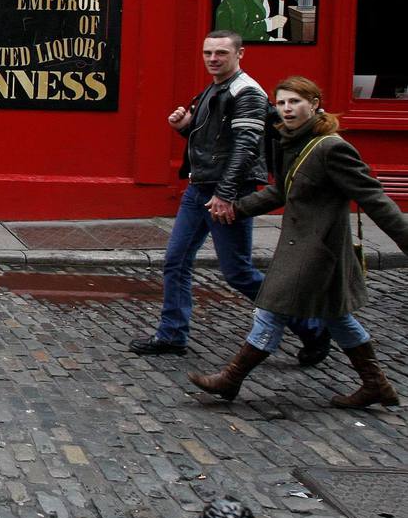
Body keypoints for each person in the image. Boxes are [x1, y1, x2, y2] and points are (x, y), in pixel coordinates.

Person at [190, 76, 408, 406]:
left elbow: (374, 197)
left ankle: (230, 379)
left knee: (271, 308)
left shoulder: (331, 147)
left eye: (295, 102)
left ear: (315, 104)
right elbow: (282, 190)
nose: (287, 109)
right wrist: (236, 209)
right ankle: (375, 384)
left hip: (317, 250)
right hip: (300, 246)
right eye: (282, 103)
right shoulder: (292, 141)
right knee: (337, 317)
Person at [129, 30, 329, 362]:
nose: (213, 59)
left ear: (239, 54)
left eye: (221, 53)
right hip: (199, 189)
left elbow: (246, 148)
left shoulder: (246, 92)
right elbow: (215, 143)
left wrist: (225, 194)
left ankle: (311, 326)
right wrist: (184, 127)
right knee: (175, 262)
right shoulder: (215, 88)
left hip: (228, 193)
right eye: (208, 53)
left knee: (238, 272)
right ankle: (172, 335)